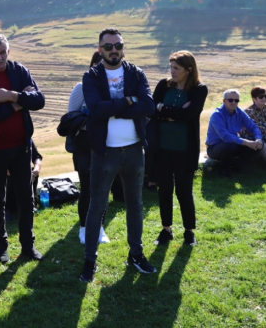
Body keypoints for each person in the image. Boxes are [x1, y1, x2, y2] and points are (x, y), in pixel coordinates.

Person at [79, 28, 156, 282]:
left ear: (124, 47)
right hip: (104, 152)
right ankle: (90, 261)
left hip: (134, 149)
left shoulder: (136, 73)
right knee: (96, 207)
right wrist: (127, 102)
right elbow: (96, 109)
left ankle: (136, 255)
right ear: (99, 49)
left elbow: (148, 106)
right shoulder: (91, 77)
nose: (114, 50)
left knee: (135, 205)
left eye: (118, 45)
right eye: (108, 46)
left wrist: (116, 107)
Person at [0, 33, 45, 263]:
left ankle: (27, 247)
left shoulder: (19, 71)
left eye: (3, 52)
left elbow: (39, 101)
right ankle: (1, 248)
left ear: (8, 52)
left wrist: (10, 96)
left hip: (21, 148)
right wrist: (18, 105)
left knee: (26, 198)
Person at [152, 51, 208, 246]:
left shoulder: (199, 90)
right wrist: (173, 113)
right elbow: (152, 110)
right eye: (171, 67)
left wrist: (163, 109)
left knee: (184, 192)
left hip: (185, 150)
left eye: (177, 68)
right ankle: (166, 229)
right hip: (162, 149)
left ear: (188, 70)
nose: (172, 72)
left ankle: (189, 231)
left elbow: (190, 114)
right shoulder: (163, 85)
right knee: (164, 190)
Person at [67, 52, 109, 245]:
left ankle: (100, 227)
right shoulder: (81, 87)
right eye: (97, 63)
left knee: (103, 187)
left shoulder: (115, 88)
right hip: (85, 143)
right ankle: (84, 228)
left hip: (108, 141)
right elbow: (70, 118)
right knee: (87, 187)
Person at [206, 89, 263, 177]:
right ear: (224, 101)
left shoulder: (239, 112)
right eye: (230, 100)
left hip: (234, 144)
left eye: (236, 100)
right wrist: (247, 143)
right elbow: (225, 137)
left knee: (258, 145)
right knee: (230, 145)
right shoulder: (217, 115)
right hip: (215, 148)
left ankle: (238, 167)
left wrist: (258, 139)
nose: (233, 102)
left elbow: (253, 127)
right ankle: (224, 171)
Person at [5, 139, 42, 219]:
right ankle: (8, 209)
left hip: (23, 173)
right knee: (9, 178)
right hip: (8, 173)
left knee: (32, 172)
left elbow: (37, 157)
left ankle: (30, 205)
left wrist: (36, 170)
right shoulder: (4, 140)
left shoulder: (26, 138)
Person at [239, 86, 266, 161]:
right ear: (254, 99)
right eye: (261, 97)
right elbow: (257, 129)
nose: (264, 99)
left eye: (265, 96)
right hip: (253, 139)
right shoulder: (248, 112)